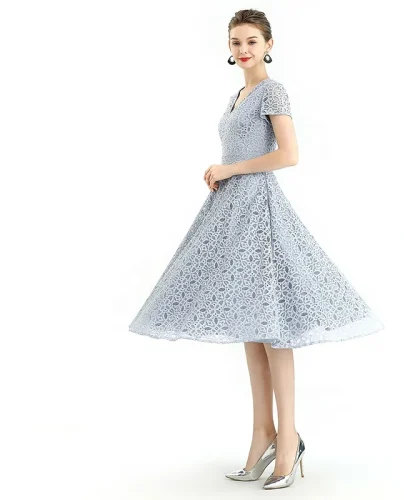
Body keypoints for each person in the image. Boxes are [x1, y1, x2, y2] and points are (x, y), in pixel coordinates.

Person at [128, 8, 384, 490]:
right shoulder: (236, 97)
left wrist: (229, 169)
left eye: (251, 41)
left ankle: (288, 439)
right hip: (230, 213)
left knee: (273, 328)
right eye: (235, 42)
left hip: (259, 211)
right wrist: (224, 173)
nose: (243, 49)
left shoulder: (272, 90)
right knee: (251, 325)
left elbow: (289, 154)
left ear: (268, 45)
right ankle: (262, 432)